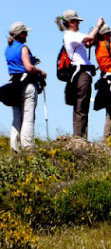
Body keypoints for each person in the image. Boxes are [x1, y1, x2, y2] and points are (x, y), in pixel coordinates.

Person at [56, 10, 104, 139]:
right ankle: (80, 138)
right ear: (71, 22)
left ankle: (79, 137)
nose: (78, 24)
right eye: (77, 21)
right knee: (82, 106)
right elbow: (89, 39)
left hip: (79, 73)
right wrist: (98, 26)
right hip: (81, 73)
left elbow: (87, 43)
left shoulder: (72, 36)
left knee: (80, 106)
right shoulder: (70, 35)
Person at [4, 22, 46, 152]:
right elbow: (28, 67)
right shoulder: (23, 48)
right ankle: (27, 147)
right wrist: (40, 71)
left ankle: (14, 146)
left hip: (13, 85)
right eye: (25, 32)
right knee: (28, 117)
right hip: (26, 85)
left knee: (17, 116)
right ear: (20, 34)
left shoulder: (8, 49)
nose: (27, 34)